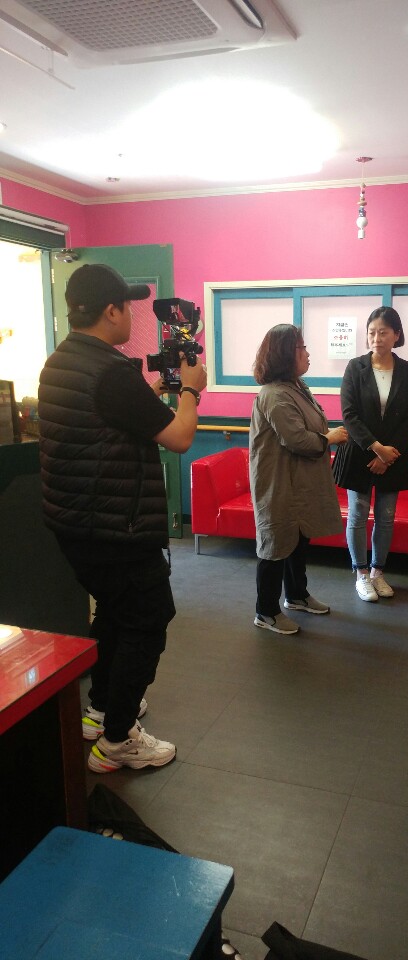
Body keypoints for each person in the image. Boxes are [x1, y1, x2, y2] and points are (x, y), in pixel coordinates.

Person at [38, 263, 207, 772]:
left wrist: (151, 393)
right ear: (110, 311)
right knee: (148, 620)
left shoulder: (61, 362)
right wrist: (191, 389)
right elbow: (180, 438)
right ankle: (118, 740)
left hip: (76, 524)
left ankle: (100, 709)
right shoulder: (110, 372)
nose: (132, 315)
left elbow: (106, 419)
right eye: (128, 307)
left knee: (114, 612)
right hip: (117, 529)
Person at [249, 324, 347, 635]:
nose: (307, 353)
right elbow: (297, 439)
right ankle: (266, 611)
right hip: (279, 484)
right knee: (275, 546)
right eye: (301, 348)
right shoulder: (274, 395)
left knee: (297, 541)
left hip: (298, 483)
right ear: (284, 354)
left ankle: (296, 595)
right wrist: (329, 438)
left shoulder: (296, 386)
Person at [333, 307, 408, 601]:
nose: (376, 338)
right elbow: (349, 415)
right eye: (372, 332)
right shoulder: (354, 367)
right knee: (357, 515)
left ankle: (377, 572)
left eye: (383, 332)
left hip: (393, 455)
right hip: (360, 452)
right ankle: (360, 574)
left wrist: (387, 455)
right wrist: (376, 448)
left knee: (386, 517)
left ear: (396, 335)